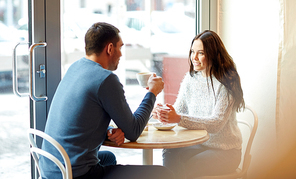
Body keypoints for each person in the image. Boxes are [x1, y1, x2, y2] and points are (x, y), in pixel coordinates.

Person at [39, 22, 174, 179]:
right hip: (75, 174)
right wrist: (152, 92)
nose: (121, 54)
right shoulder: (106, 79)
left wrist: (108, 130)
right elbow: (134, 131)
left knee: (108, 157)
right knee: (164, 174)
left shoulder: (75, 67)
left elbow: (79, 118)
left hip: (52, 168)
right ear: (110, 49)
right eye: (120, 47)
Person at [153, 30, 245, 178]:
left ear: (214, 54)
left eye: (200, 53)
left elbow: (216, 124)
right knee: (169, 150)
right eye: (192, 52)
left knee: (189, 166)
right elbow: (178, 110)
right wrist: (163, 113)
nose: (194, 58)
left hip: (226, 151)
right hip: (200, 144)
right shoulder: (190, 79)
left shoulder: (225, 83)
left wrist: (177, 118)